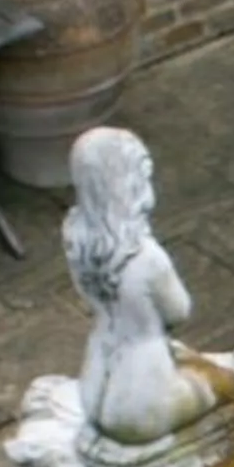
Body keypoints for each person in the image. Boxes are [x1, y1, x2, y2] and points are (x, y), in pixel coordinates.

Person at [63, 127, 219, 448]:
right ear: (129, 184)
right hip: (145, 400)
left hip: (93, 388)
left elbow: (87, 296)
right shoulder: (146, 257)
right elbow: (179, 310)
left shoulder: (74, 238)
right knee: (226, 383)